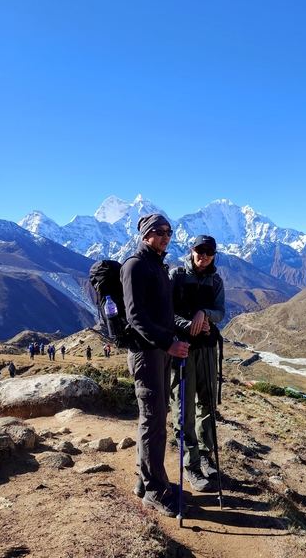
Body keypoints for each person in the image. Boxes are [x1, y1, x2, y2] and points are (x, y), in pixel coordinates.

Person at [121, 213, 189, 518]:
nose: (165, 236)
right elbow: (135, 318)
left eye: (169, 231)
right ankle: (154, 492)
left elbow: (160, 313)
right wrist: (167, 343)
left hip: (159, 352)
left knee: (155, 418)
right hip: (146, 354)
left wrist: (173, 339)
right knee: (153, 420)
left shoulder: (157, 265)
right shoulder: (135, 265)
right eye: (159, 231)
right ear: (146, 234)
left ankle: (145, 480)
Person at [169, 235, 225, 492]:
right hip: (181, 350)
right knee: (184, 408)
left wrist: (204, 315)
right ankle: (190, 466)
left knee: (207, 403)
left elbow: (220, 311)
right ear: (191, 251)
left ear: (214, 254)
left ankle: (205, 454)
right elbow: (165, 310)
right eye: (199, 250)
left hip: (207, 349)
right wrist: (188, 324)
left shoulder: (216, 281)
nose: (203, 255)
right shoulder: (176, 276)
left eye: (208, 251)